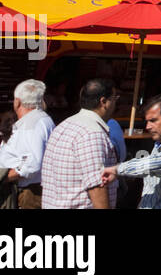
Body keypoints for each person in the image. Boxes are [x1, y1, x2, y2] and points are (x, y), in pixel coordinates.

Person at [103, 92, 161, 209]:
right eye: (147, 121)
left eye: (153, 120)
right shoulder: (160, 143)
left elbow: (153, 165)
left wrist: (116, 169)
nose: (147, 126)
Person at [41, 79, 120, 210]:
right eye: (114, 98)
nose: (115, 103)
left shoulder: (65, 124)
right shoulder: (92, 133)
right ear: (103, 102)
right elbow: (96, 185)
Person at [0, 79, 55, 209]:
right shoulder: (38, 120)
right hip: (27, 190)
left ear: (18, 101)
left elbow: (32, 165)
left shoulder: (32, 124)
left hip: (29, 193)